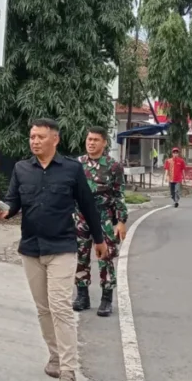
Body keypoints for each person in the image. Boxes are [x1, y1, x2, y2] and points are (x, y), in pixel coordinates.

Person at [0, 119, 106, 381]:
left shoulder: (71, 168)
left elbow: (88, 205)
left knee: (60, 307)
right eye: (32, 136)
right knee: (43, 309)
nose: (34, 141)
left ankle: (68, 369)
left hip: (62, 247)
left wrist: (99, 238)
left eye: (40, 136)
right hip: (31, 248)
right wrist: (4, 210)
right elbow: (13, 202)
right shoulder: (22, 168)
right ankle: (54, 355)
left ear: (55, 139)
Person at [72, 127, 127, 317]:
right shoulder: (77, 164)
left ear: (104, 143)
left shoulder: (113, 166)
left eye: (96, 140)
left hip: (104, 217)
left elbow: (119, 195)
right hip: (80, 217)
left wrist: (120, 221)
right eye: (89, 139)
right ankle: (82, 295)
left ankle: (106, 299)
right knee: (81, 256)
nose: (91, 143)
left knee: (106, 257)